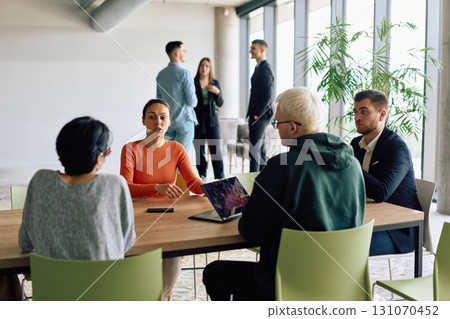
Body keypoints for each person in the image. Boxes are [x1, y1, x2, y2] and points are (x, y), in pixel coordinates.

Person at [202, 87, 365, 300]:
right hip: (341, 279)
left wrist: (249, 207)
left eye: (277, 123)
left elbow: (252, 232)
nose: (276, 128)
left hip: (286, 282)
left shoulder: (282, 166)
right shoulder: (352, 164)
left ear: (294, 127)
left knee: (214, 273)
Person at [120, 98, 204, 300]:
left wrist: (213, 188)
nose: (158, 122)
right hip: (138, 215)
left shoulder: (177, 149)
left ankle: (163, 299)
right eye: (152, 117)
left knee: (174, 251)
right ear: (143, 121)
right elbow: (125, 188)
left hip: (168, 216)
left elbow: (193, 182)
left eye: (163, 117)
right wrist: (157, 187)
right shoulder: (130, 149)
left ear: (169, 122)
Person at [19, 116, 136, 261]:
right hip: (106, 282)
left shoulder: (40, 180)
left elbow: (25, 242)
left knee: (6, 278)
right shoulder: (114, 184)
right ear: (100, 156)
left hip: (53, 283)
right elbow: (127, 242)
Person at [350, 89, 421, 256]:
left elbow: (381, 192)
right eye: (355, 112)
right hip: (368, 217)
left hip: (398, 230)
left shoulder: (396, 148)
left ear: (382, 115)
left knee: (347, 248)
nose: (357, 117)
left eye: (364, 111)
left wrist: (350, 164)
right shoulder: (355, 144)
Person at [156, 41, 198, 153]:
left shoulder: (161, 75)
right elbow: (192, 101)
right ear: (177, 53)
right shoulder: (185, 74)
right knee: (183, 157)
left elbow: (159, 101)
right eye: (183, 51)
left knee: (168, 157)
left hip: (168, 122)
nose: (185, 53)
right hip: (184, 121)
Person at [193, 57, 225, 180]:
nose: (204, 68)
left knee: (215, 149)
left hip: (212, 119)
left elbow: (220, 103)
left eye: (207, 66)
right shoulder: (193, 82)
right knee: (199, 148)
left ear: (210, 68)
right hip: (198, 119)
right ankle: (202, 175)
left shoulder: (214, 83)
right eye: (202, 65)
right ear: (199, 67)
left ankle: (219, 177)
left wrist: (217, 92)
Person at [247, 39, 274, 172]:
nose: (250, 51)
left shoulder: (265, 69)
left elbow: (267, 94)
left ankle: (252, 182)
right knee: (260, 149)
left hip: (260, 115)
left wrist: (258, 113)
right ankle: (262, 180)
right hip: (258, 114)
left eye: (253, 48)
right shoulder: (259, 67)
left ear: (262, 50)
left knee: (254, 150)